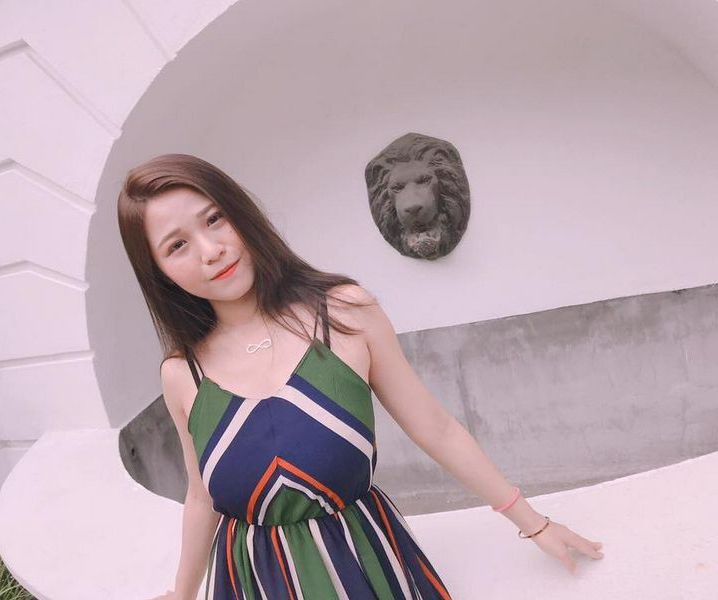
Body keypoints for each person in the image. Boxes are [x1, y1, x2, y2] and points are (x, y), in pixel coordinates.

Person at [117, 154, 604, 600]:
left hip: (365, 568)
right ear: (159, 271)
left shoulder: (344, 312)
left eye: (214, 218)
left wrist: (534, 524)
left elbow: (435, 428)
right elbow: (201, 495)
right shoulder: (182, 375)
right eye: (177, 245)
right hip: (251, 583)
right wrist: (183, 594)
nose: (211, 250)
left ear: (240, 212)